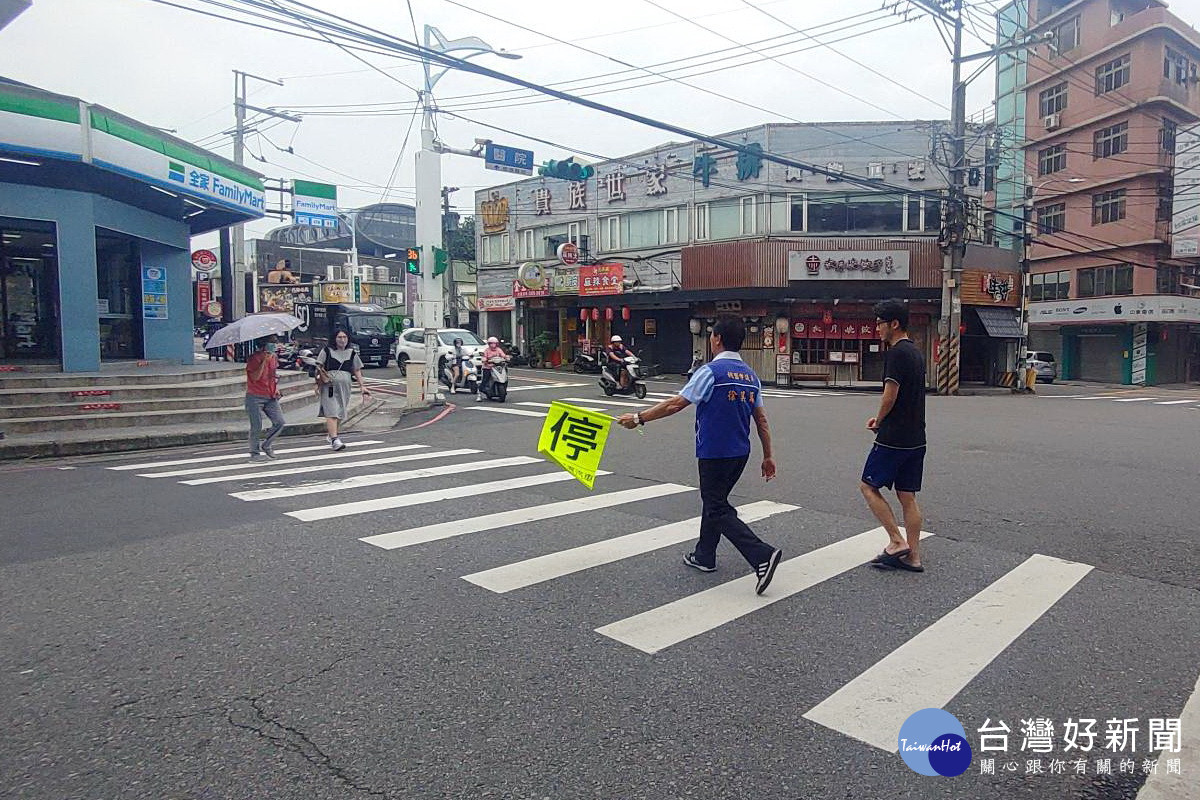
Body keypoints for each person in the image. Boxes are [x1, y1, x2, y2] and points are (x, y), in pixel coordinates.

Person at [617, 316, 782, 595]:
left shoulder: (711, 372)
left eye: (711, 336)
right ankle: (705, 555)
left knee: (716, 506)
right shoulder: (751, 377)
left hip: (715, 453)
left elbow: (675, 404)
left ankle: (761, 554)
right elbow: (762, 420)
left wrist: (639, 417)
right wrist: (768, 456)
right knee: (714, 500)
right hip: (740, 453)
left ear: (716, 339)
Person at [860, 299, 927, 574]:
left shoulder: (897, 353)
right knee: (907, 496)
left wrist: (879, 420)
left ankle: (897, 541)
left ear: (894, 324)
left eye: (880, 323)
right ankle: (914, 556)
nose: (877, 328)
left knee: (868, 486)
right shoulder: (916, 353)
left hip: (894, 437)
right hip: (916, 437)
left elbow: (891, 393)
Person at [315, 329, 371, 450]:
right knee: (332, 412)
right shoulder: (326, 351)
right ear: (334, 339)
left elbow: (357, 370)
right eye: (339, 337)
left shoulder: (352, 353)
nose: (342, 340)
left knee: (340, 412)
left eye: (344, 337)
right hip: (329, 386)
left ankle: (331, 435)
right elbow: (318, 368)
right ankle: (335, 440)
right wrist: (317, 385)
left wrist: (362, 386)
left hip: (345, 387)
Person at [245, 335, 285, 460]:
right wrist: (264, 361)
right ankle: (254, 452)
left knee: (280, 422)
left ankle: (267, 444)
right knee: (256, 425)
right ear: (264, 344)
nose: (274, 345)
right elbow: (255, 377)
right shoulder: (254, 358)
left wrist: (276, 389)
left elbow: (272, 375)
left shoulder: (274, 358)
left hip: (270, 395)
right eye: (271, 343)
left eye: (275, 343)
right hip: (255, 395)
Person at [477, 336, 508, 402]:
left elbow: (503, 355)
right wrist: (485, 360)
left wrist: (506, 357)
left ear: (497, 344)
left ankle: (504, 389)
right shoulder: (487, 350)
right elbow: (484, 357)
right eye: (491, 343)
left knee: (505, 376)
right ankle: (481, 391)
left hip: (498, 366)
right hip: (488, 367)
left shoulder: (499, 349)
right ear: (489, 344)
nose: (493, 345)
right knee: (485, 379)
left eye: (494, 343)